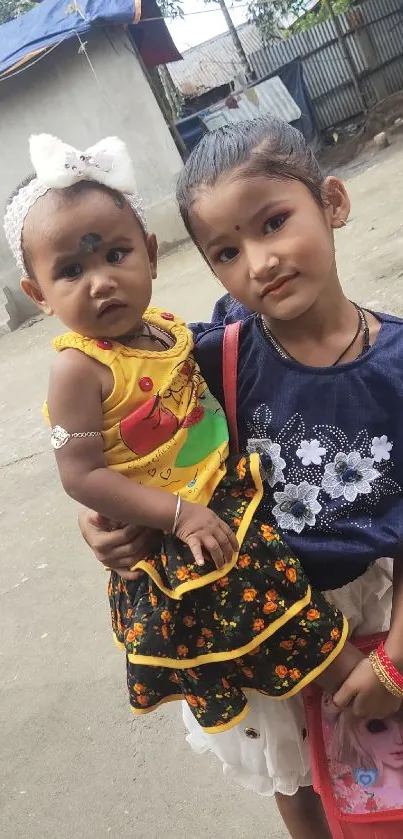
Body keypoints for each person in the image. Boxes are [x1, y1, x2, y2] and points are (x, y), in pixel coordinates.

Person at [79, 117, 403, 839]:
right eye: (227, 250)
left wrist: (396, 655)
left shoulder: (395, 367)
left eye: (274, 222)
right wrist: (98, 517)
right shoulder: (211, 360)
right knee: (297, 783)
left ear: (333, 203)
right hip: (256, 618)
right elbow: (128, 457)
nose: (258, 261)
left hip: (374, 617)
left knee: (383, 774)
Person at [4, 133, 362, 735]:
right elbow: (81, 473)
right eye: (70, 271)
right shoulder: (77, 368)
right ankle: (358, 681)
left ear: (150, 252)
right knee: (269, 618)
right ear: (38, 295)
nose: (100, 282)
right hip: (184, 531)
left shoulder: (175, 333)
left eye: (115, 255)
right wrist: (163, 516)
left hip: (224, 502)